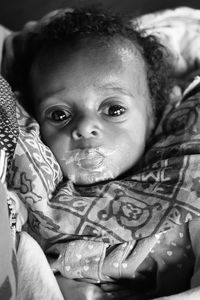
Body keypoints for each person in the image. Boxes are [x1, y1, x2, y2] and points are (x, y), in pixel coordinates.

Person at [7, 7, 200, 300]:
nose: (85, 127)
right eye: (59, 114)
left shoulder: (187, 183)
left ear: (153, 116)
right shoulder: (25, 193)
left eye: (114, 109)